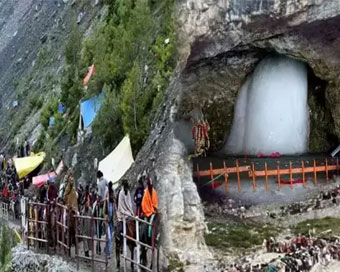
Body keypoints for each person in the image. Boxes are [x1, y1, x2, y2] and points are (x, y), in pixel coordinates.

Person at [103, 181, 115, 258]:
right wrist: (105, 218)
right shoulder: (106, 197)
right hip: (107, 220)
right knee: (109, 238)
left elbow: (115, 210)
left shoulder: (113, 202)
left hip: (112, 221)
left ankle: (106, 248)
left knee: (110, 237)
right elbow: (104, 211)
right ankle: (109, 253)